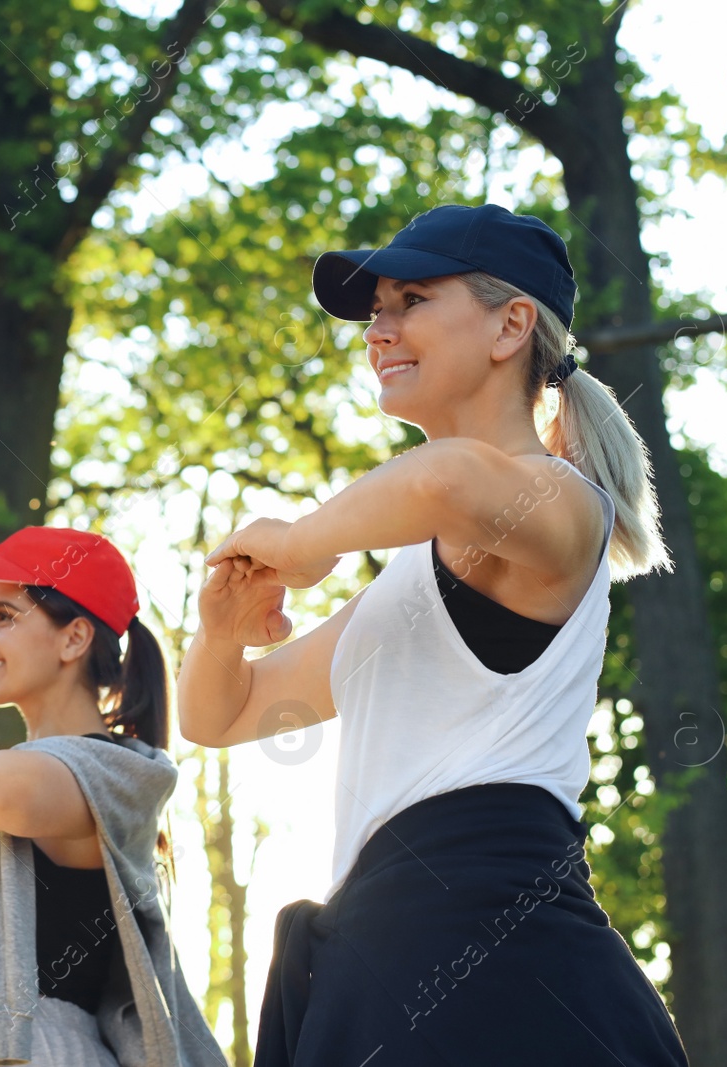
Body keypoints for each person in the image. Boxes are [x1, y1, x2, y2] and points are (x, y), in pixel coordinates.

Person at [176, 203, 691, 1065]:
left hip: (492, 947)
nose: (379, 330)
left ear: (511, 324)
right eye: (375, 310)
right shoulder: (414, 579)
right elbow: (221, 715)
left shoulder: (558, 501)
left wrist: (302, 543)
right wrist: (222, 633)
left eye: (409, 299)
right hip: (384, 947)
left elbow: (448, 479)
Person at [0, 525, 227, 1067]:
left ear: (74, 638)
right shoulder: (23, 788)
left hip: (47, 1048)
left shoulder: (108, 769)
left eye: (2, 615)